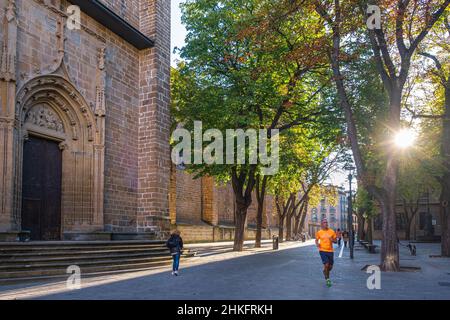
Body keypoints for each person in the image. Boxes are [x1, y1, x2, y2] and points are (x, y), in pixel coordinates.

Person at [315, 219, 337, 287]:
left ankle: (325, 271)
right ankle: (327, 279)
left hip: (330, 251)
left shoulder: (332, 231)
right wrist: (317, 244)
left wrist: (332, 240)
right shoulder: (319, 232)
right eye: (324, 223)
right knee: (326, 264)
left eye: (327, 222)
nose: (326, 224)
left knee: (330, 267)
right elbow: (316, 240)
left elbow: (336, 241)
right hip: (322, 250)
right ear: (322, 224)